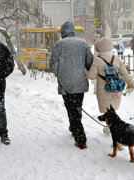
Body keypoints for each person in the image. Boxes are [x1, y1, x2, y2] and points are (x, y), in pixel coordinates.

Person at [50, 21, 93, 149]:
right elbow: (89, 62)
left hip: (65, 83)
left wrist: (60, 74)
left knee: (71, 110)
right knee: (77, 107)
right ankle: (74, 128)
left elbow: (53, 65)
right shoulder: (83, 44)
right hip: (80, 82)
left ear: (63, 32)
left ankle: (81, 139)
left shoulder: (58, 44)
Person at [85, 37, 134, 132]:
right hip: (116, 90)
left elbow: (91, 76)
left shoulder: (97, 60)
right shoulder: (116, 58)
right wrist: (131, 84)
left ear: (99, 47)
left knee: (107, 112)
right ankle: (111, 129)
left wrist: (84, 69)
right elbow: (124, 74)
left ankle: (113, 132)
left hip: (104, 90)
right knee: (112, 112)